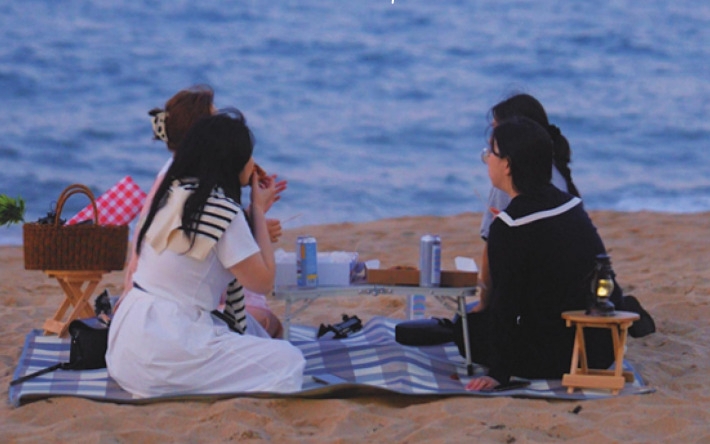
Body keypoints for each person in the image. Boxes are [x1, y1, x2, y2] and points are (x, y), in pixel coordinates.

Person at [106, 111, 305, 397]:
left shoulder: (175, 192)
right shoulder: (222, 210)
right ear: (234, 161)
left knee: (256, 332)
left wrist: (251, 210)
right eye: (250, 156)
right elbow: (263, 282)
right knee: (289, 360)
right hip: (167, 344)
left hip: (126, 344)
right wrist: (258, 210)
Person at [457, 116, 621, 391]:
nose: (487, 161)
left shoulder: (509, 226)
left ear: (507, 165)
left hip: (552, 356)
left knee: (465, 328)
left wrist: (499, 373)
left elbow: (505, 304)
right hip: (600, 349)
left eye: (491, 154)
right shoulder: (572, 206)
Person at [119, 85, 285, 338]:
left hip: (141, 315)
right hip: (175, 318)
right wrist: (254, 218)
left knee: (264, 332)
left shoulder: (175, 184)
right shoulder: (210, 201)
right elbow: (261, 281)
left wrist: (251, 220)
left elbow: (197, 243)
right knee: (272, 335)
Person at [476, 93, 579, 314]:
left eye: (496, 129)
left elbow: (493, 256)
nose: (490, 141)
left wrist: (484, 304)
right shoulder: (555, 176)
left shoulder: (514, 185)